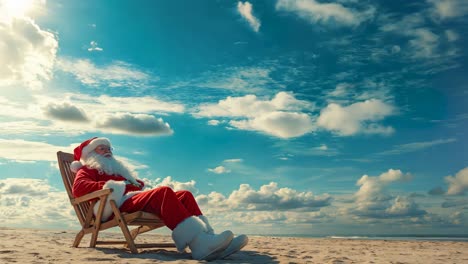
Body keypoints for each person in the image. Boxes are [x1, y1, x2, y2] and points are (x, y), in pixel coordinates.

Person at [70, 137, 248, 260]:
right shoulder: (87, 170)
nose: (108, 151)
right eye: (102, 148)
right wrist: (112, 186)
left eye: (109, 148)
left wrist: (129, 182)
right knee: (163, 192)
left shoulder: (114, 169)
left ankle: (208, 238)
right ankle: (200, 245)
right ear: (91, 153)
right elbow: (78, 189)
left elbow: (134, 185)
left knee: (184, 195)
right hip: (112, 206)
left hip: (130, 200)